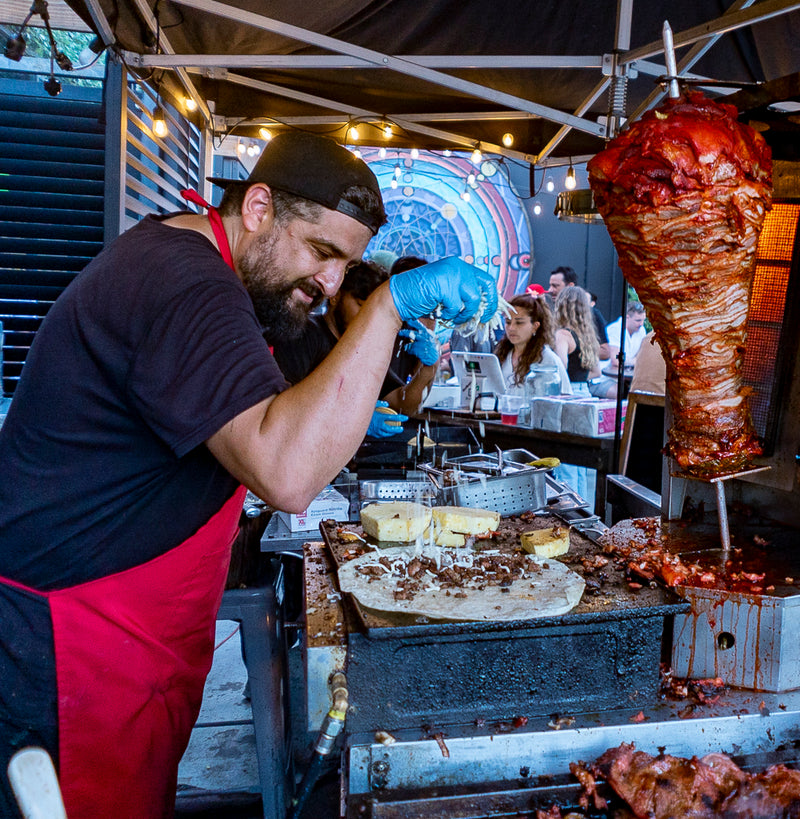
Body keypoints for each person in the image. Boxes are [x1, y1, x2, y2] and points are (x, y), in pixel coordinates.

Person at [0, 131, 497, 819]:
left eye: (346, 265)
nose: (330, 285)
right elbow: (286, 469)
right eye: (323, 253)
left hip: (115, 641)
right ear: (259, 206)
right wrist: (390, 305)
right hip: (65, 651)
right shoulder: (186, 282)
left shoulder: (203, 272)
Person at [273, 258, 439, 419]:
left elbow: (402, 404)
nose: (367, 316)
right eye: (360, 305)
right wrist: (345, 418)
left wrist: (427, 369)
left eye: (372, 309)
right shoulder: (302, 335)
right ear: (335, 296)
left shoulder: (364, 347)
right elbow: (284, 406)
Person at [493, 294, 571, 394]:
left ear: (535, 326)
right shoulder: (501, 354)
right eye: (508, 322)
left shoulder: (548, 358)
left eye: (519, 323)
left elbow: (565, 396)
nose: (511, 328)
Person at [547, 265, 612, 363]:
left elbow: (605, 352)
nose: (550, 290)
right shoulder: (548, 310)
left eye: (555, 286)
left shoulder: (592, 314)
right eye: (550, 285)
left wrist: (575, 347)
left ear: (570, 286)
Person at [553, 285, 602, 394]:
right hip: (584, 391)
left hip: (566, 391)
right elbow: (597, 372)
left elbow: (561, 368)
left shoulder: (562, 335)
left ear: (561, 306)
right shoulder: (589, 335)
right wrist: (579, 378)